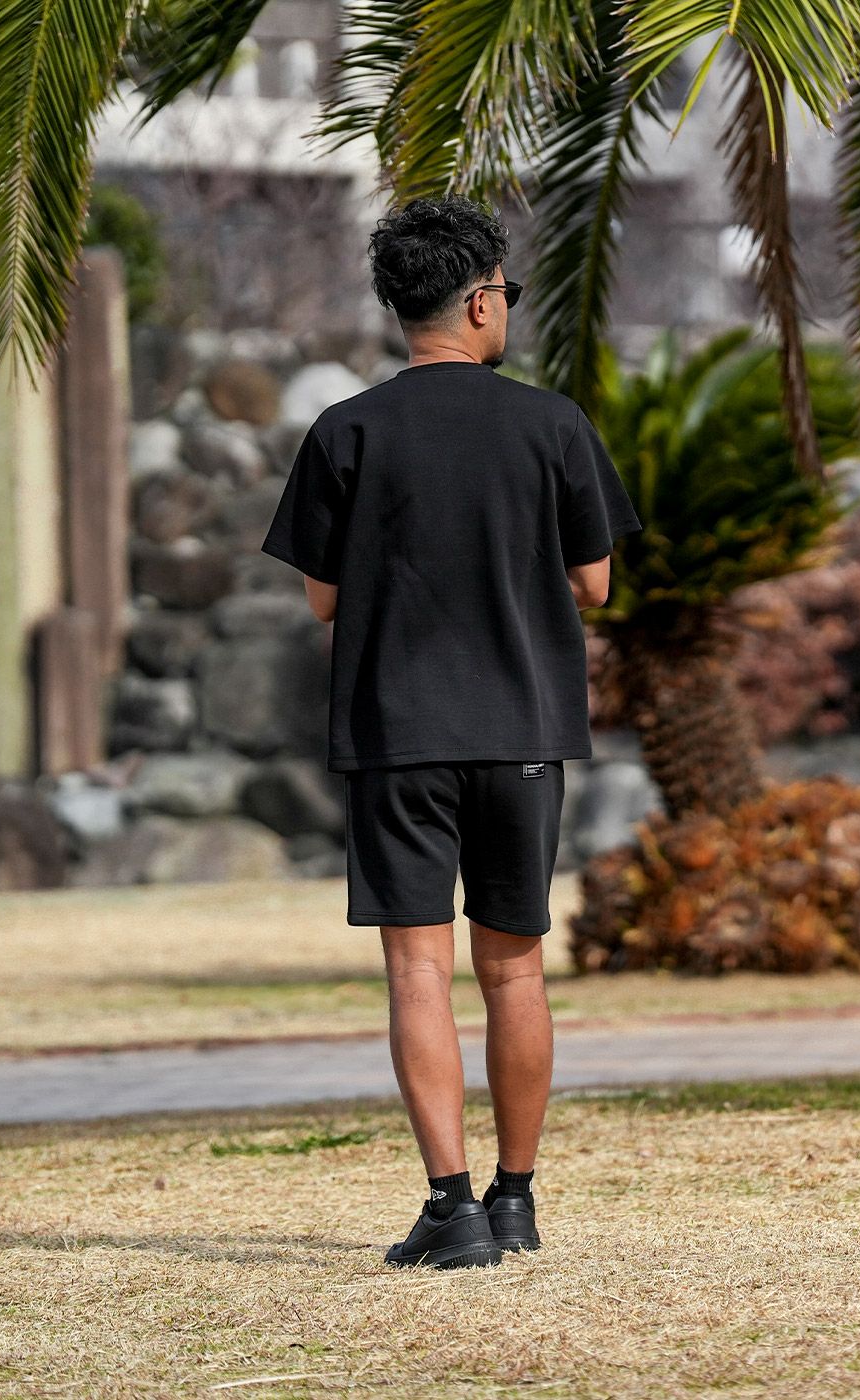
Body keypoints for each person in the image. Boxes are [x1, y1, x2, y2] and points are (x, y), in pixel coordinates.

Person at [260, 194, 642, 1270]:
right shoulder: (553, 424)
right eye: (505, 292)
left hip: (397, 733)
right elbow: (595, 584)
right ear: (479, 301)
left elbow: (323, 601)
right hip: (523, 729)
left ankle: (451, 1207)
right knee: (515, 971)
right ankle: (515, 1199)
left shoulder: (346, 430)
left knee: (417, 972)